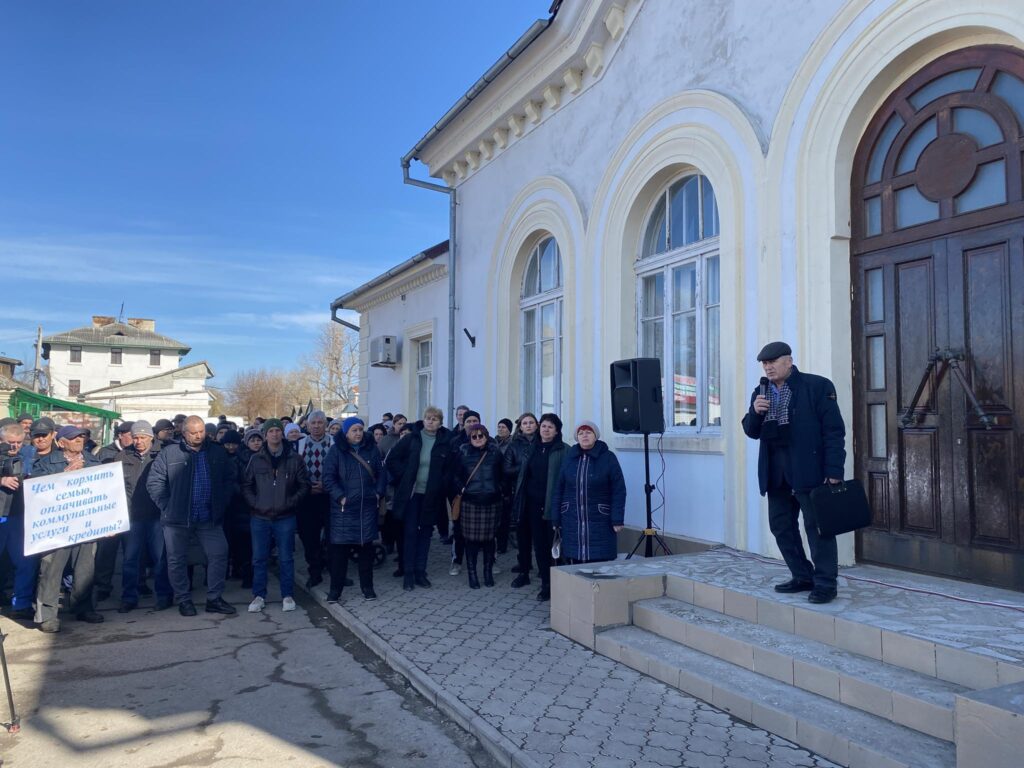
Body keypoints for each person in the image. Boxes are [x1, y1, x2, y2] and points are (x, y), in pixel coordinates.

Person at [742, 341, 847, 604]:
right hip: (775, 474)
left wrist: (834, 470)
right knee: (781, 527)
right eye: (765, 364)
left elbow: (834, 432)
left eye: (773, 362)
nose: (768, 367)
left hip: (808, 471)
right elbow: (751, 431)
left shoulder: (817, 386)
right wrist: (755, 412)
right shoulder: (760, 391)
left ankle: (825, 583)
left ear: (788, 361)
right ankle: (802, 575)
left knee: (818, 529)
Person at [147, 415, 238, 616]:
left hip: (209, 517)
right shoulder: (169, 453)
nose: (198, 436)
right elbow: (155, 482)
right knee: (176, 559)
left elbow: (229, 479)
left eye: (201, 431)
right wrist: (166, 506)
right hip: (177, 519)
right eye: (194, 432)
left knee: (219, 553)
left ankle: (214, 598)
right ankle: (184, 600)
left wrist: (222, 502)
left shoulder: (216, 452)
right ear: (184, 432)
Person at [32, 425, 104, 631]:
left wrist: (109, 522)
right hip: (57, 527)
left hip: (85, 525)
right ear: (61, 442)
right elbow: (36, 491)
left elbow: (105, 491)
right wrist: (63, 474)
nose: (79, 440)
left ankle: (84, 607)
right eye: (73, 438)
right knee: (51, 570)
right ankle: (47, 615)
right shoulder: (46, 463)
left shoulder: (92, 461)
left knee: (85, 569)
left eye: (81, 437)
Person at [242, 418, 309, 613]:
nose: (274, 434)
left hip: (285, 516)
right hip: (260, 517)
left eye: (277, 431)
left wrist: (290, 502)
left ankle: (287, 595)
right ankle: (259, 595)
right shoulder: (256, 459)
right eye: (270, 431)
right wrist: (255, 503)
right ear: (265, 435)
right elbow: (247, 485)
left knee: (286, 557)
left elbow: (304, 485)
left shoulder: (294, 458)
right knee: (259, 558)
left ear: (282, 433)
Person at [385, 406, 452, 591]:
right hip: (412, 495)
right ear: (423, 419)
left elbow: (450, 469)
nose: (430, 421)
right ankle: (408, 574)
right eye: (427, 418)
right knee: (410, 533)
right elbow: (392, 460)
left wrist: (441, 484)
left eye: (435, 419)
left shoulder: (445, 441)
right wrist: (405, 476)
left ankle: (420, 572)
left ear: (440, 422)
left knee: (426, 534)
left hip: (431, 496)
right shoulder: (411, 438)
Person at [323, 417, 385, 601]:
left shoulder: (371, 449)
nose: (358, 433)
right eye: (354, 430)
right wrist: (340, 496)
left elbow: (382, 474)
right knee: (339, 555)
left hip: (366, 508)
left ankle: (367, 588)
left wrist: (377, 493)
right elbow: (328, 478)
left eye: (360, 429)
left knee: (366, 551)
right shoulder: (336, 451)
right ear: (346, 432)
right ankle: (335, 591)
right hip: (344, 510)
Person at [507, 413, 567, 601]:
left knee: (554, 546)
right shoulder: (531, 448)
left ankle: (559, 583)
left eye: (550, 427)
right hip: (531, 504)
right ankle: (546, 585)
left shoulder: (564, 450)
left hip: (552, 505)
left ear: (557, 430)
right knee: (539, 546)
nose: (546, 429)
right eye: (544, 426)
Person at [552, 421, 626, 564]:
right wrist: (556, 516)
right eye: (581, 433)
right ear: (577, 438)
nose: (584, 436)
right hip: (572, 518)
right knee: (576, 561)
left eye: (588, 432)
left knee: (599, 563)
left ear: (595, 436)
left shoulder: (608, 457)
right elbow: (559, 489)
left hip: (600, 518)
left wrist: (617, 518)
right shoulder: (569, 458)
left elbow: (619, 490)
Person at [118, 420, 173, 612]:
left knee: (160, 559)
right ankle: (129, 597)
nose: (139, 441)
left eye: (142, 437)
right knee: (130, 559)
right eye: (135, 437)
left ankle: (164, 595)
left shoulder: (163, 454)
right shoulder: (123, 456)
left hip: (157, 516)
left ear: (151, 437)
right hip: (132, 517)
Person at [451, 423, 504, 588]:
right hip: (471, 502)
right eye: (474, 436)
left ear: (486, 436)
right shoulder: (463, 451)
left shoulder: (495, 452)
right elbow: (455, 475)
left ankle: (487, 572)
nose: (478, 439)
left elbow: (503, 474)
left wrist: (499, 489)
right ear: (470, 438)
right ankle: (472, 574)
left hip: (491, 501)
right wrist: (462, 488)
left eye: (481, 435)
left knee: (489, 539)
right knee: (471, 541)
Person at [0, 419, 38, 621]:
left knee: (26, 561)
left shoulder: (30, 455)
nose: (14, 446)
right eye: (9, 442)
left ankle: (21, 604)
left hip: (19, 517)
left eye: (18, 442)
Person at [294, 410, 333, 589]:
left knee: (334, 537)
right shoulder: (298, 445)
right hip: (307, 498)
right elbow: (293, 472)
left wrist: (326, 485)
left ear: (326, 425)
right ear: (307, 425)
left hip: (330, 496)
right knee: (309, 538)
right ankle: (315, 573)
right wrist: (308, 486)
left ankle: (336, 573)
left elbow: (340, 469)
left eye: (320, 422)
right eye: (313, 423)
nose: (316, 426)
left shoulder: (335, 444)